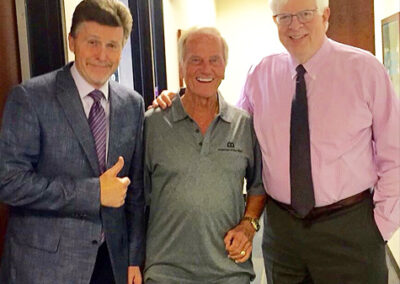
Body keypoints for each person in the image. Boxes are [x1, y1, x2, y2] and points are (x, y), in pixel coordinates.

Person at [152, 0, 400, 283]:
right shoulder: (261, 73)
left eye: (305, 14)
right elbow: (231, 128)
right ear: (275, 21)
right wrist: (179, 101)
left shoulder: (365, 69)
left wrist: (381, 226)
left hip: (349, 227)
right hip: (283, 232)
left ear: (325, 15)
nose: (295, 25)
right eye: (284, 17)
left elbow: (395, 153)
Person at [0, 1, 145, 283]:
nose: (102, 55)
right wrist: (93, 193)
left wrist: (134, 258)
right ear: (72, 41)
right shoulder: (30, 98)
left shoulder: (133, 104)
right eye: (93, 42)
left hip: (111, 264)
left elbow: (136, 191)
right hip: (45, 267)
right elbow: (9, 182)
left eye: (113, 45)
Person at [143, 27, 266, 283]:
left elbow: (258, 186)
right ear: (181, 66)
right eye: (195, 60)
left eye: (214, 60)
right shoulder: (151, 125)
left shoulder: (244, 125)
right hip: (166, 273)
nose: (206, 69)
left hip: (229, 272)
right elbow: (135, 200)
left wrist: (248, 226)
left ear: (224, 67)